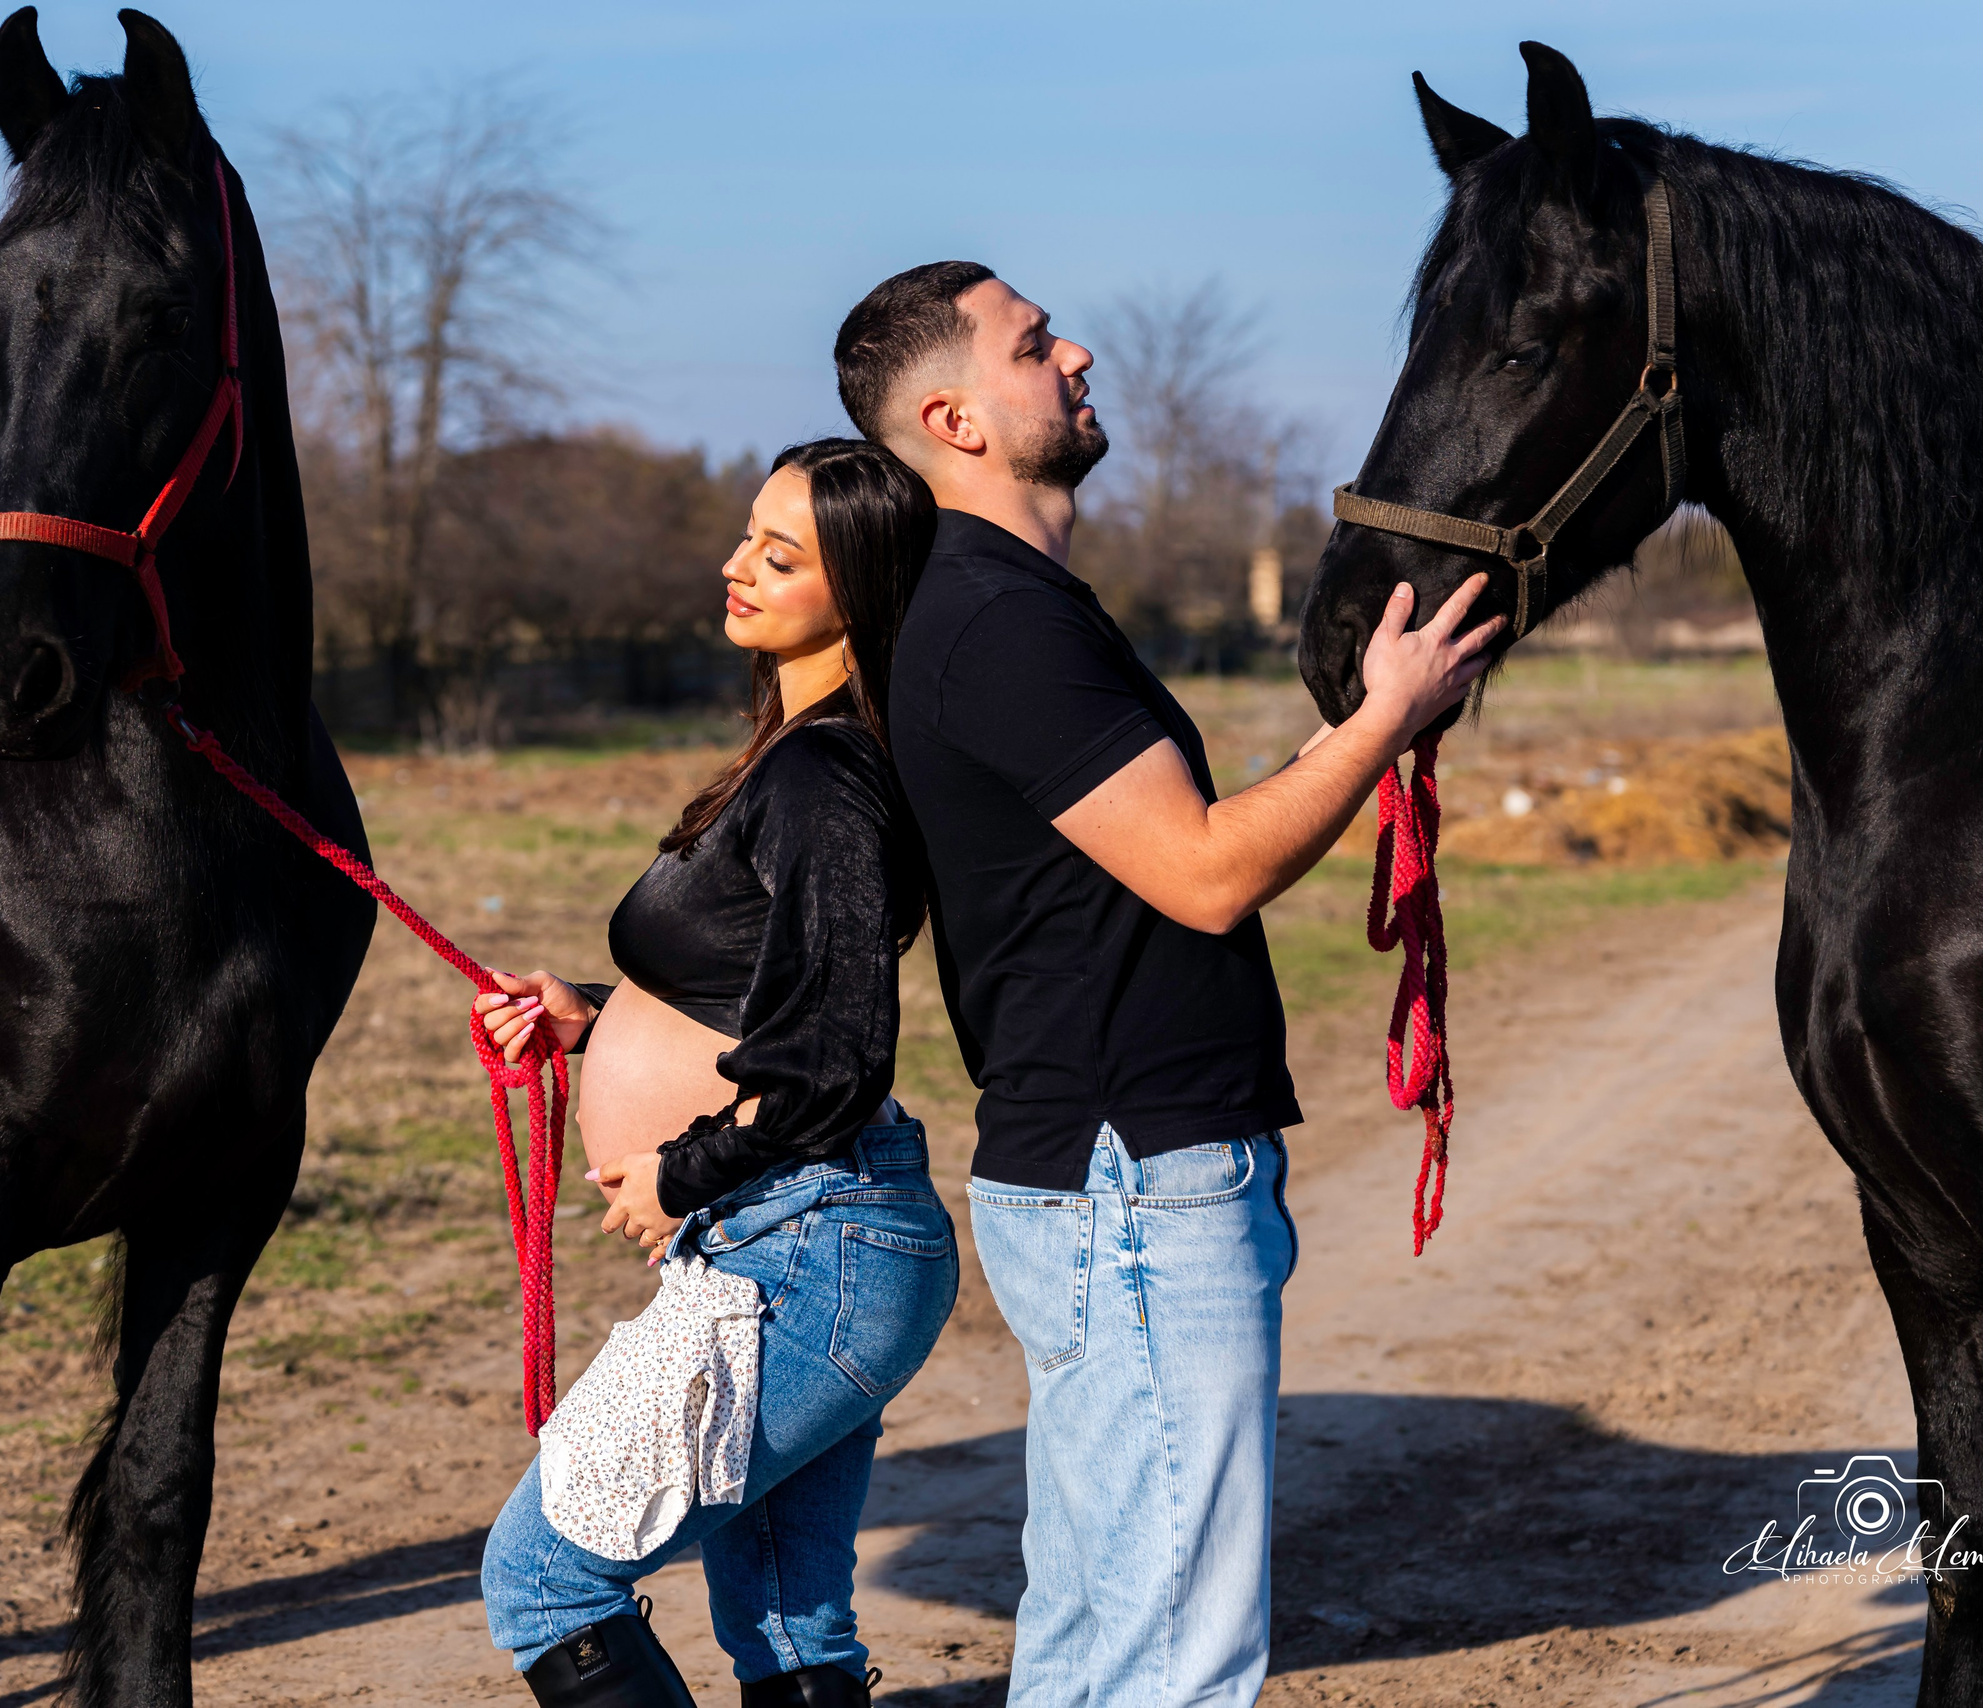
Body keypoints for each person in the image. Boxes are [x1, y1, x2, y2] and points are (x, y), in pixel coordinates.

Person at [833, 262, 1499, 1707]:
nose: (1075, 349)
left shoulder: (1000, 601)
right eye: (1030, 343)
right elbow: (1201, 870)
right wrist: (1385, 719)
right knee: (1169, 1650)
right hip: (1132, 1179)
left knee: (1102, 1624)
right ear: (952, 417)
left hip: (1112, 1172)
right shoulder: (999, 618)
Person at [472, 438, 955, 1708]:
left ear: (858, 588)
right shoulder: (800, 753)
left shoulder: (824, 773)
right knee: (786, 1616)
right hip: (804, 1239)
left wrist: (683, 1171)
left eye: (779, 556)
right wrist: (594, 1018)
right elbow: (766, 988)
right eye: (748, 535)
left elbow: (840, 1057)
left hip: (801, 1245)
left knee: (541, 1575)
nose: (736, 566)